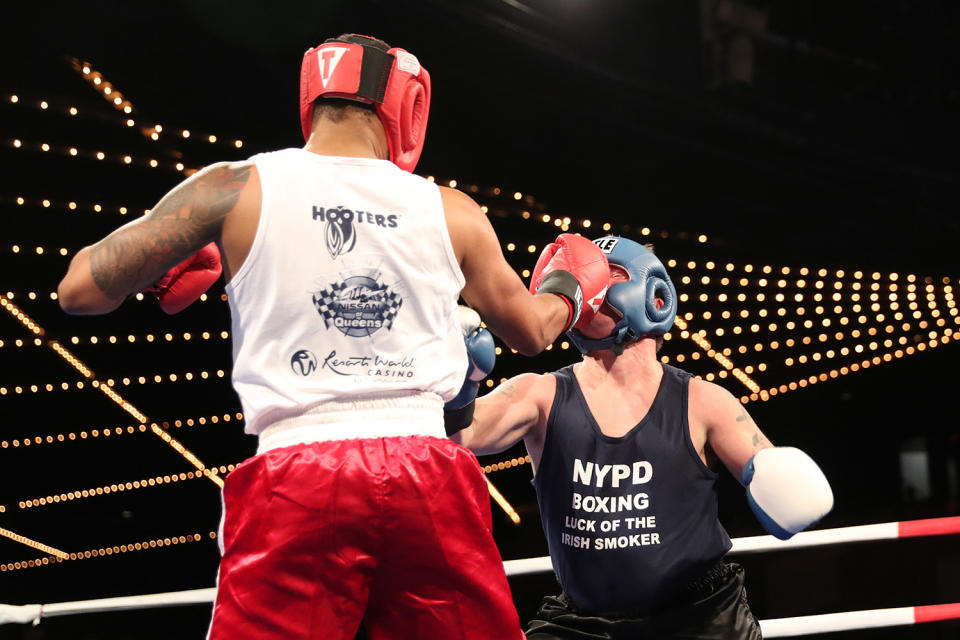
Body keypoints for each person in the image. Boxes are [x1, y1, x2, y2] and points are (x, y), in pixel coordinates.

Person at [56, 33, 612, 640]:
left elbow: (78, 290)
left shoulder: (232, 188)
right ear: (405, 103)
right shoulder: (450, 211)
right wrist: (568, 287)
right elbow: (532, 331)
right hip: (426, 471)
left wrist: (160, 264)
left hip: (296, 473)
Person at [451, 235, 835, 639]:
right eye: (580, 278)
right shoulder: (540, 393)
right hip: (586, 622)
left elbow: (778, 480)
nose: (589, 287)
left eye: (606, 274)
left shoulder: (702, 401)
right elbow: (461, 435)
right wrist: (461, 385)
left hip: (699, 619)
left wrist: (778, 478)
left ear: (651, 293)